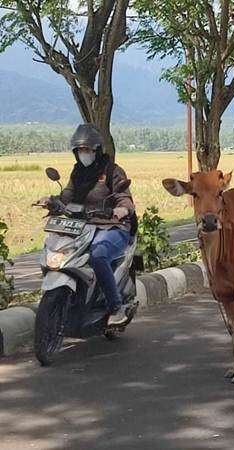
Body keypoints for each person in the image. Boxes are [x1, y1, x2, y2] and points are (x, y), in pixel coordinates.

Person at [38, 124, 136, 325]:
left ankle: (115, 307)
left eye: (88, 150)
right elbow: (67, 196)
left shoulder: (112, 171)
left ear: (97, 150)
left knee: (97, 256)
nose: (84, 154)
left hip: (111, 226)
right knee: (56, 252)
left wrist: (121, 209)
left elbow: (124, 198)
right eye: (80, 150)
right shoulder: (78, 172)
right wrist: (52, 201)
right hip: (83, 227)